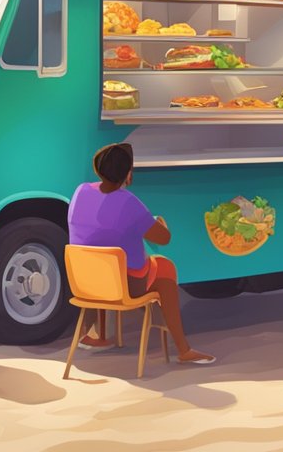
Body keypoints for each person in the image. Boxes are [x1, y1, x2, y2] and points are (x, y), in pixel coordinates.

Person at [67, 143, 215, 365]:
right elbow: (163, 238)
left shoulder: (81, 191)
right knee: (165, 270)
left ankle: (89, 334)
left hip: (85, 282)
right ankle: (183, 350)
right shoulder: (129, 202)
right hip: (126, 286)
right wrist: (157, 222)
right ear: (127, 173)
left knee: (99, 259)